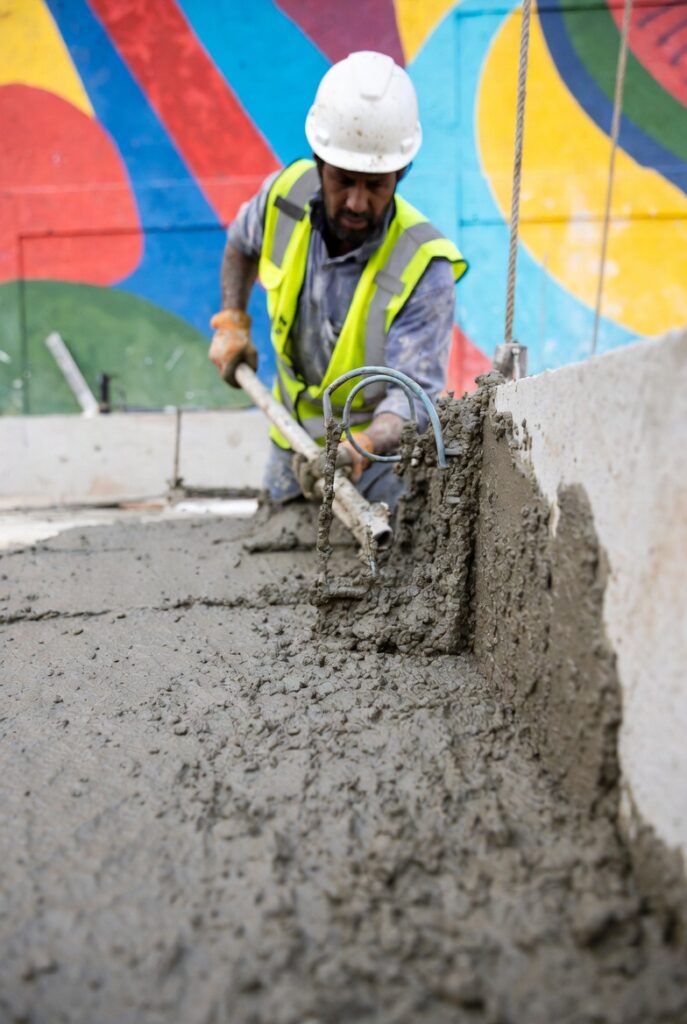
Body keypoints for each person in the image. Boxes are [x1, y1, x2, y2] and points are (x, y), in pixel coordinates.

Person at [209, 50, 467, 510]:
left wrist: (360, 446)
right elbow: (241, 245)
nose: (357, 203)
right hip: (290, 436)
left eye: (376, 185)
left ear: (400, 174)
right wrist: (232, 319)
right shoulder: (285, 198)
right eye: (344, 181)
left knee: (387, 545)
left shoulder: (424, 267)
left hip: (378, 459)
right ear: (319, 163)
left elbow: (412, 398)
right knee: (273, 542)